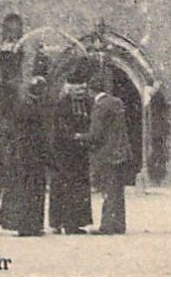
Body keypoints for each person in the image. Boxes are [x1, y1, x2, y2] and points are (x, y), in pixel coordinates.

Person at [0, 55, 51, 236]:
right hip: (25, 155)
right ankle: (25, 225)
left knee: (34, 189)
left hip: (32, 155)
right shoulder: (26, 107)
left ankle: (33, 225)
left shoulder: (32, 106)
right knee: (26, 190)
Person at [78, 68, 131, 235]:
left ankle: (107, 225)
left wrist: (80, 136)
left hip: (107, 154)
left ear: (90, 90)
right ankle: (119, 224)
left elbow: (96, 135)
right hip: (121, 152)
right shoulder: (117, 102)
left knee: (108, 191)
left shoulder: (99, 106)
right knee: (117, 191)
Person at [46, 81, 94, 234]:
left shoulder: (85, 103)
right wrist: (74, 136)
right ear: (69, 89)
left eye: (84, 89)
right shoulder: (62, 105)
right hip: (64, 153)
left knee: (76, 188)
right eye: (79, 89)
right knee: (64, 187)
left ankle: (75, 222)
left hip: (78, 153)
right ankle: (63, 223)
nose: (82, 92)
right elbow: (61, 129)